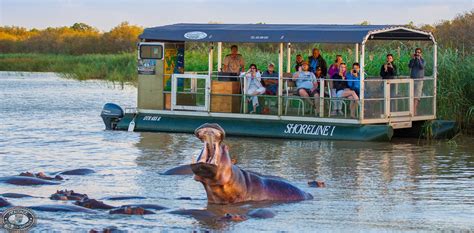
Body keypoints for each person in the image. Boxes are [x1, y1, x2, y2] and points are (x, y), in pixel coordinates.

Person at [409, 48, 425, 115]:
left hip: (419, 80)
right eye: (416, 52)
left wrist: (418, 59)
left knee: (417, 96)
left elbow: (422, 67)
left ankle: (414, 110)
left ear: (421, 53)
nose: (417, 54)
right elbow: (410, 66)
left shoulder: (423, 60)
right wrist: (413, 59)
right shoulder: (412, 60)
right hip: (412, 80)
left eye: (419, 52)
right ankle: (412, 110)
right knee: (411, 95)